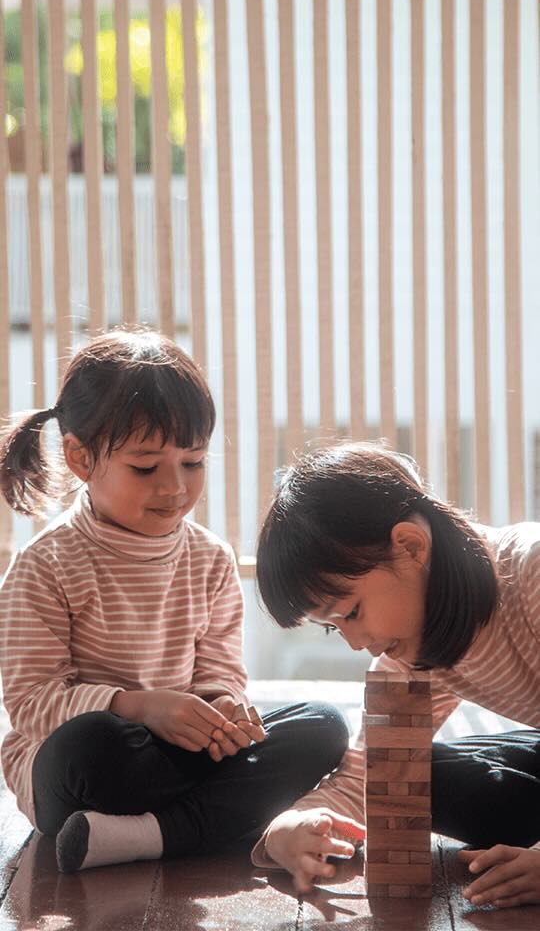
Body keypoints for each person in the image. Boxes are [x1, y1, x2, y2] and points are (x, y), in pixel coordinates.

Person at [0, 328, 349, 874]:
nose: (175, 487)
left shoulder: (210, 558)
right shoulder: (46, 564)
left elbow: (220, 673)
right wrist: (140, 707)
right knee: (92, 745)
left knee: (323, 725)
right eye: (146, 467)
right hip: (93, 767)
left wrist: (223, 708)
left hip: (178, 757)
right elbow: (32, 704)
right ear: (79, 457)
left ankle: (148, 836)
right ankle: (204, 820)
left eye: (194, 463)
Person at [253, 441, 540, 910]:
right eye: (332, 627)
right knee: (412, 775)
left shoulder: (530, 571)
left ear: (410, 546)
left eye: (352, 612)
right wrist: (290, 826)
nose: (354, 642)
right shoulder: (413, 650)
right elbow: (369, 772)